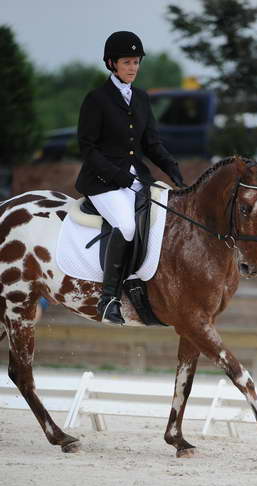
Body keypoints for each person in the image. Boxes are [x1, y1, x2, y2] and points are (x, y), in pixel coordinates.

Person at [75, 31, 185, 325]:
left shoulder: (141, 97)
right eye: (127, 62)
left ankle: (140, 284)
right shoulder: (96, 99)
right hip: (102, 181)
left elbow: (151, 143)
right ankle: (108, 297)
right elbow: (87, 148)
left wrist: (172, 168)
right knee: (125, 224)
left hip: (137, 178)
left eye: (136, 62)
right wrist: (118, 176)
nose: (133, 67)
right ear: (111, 63)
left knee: (160, 220)